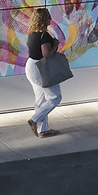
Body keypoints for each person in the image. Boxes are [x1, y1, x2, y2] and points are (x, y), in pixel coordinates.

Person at [25, 10, 64, 138]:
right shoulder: (44, 36)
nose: (50, 19)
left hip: (30, 67)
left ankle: (43, 130)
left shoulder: (31, 34)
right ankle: (34, 120)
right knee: (55, 97)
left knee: (40, 99)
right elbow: (46, 54)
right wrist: (56, 45)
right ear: (43, 19)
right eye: (48, 17)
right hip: (40, 69)